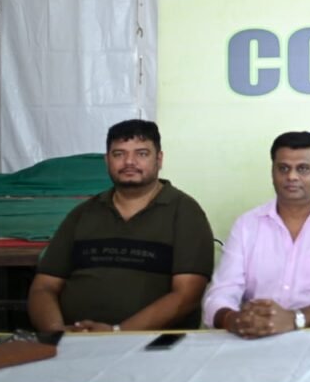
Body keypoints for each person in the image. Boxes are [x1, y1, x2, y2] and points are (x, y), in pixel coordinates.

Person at [28, 119, 214, 332]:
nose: (129, 162)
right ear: (107, 160)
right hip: (74, 342)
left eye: (141, 153)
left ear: (159, 159)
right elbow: (44, 287)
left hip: (152, 345)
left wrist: (118, 333)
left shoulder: (185, 212)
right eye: (119, 154)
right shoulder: (83, 213)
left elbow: (187, 295)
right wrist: (56, 332)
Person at [203, 132, 310, 337]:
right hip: (256, 337)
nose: (292, 177)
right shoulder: (247, 225)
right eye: (283, 168)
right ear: (272, 173)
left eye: (303, 169)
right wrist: (234, 320)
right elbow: (220, 293)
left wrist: (295, 319)